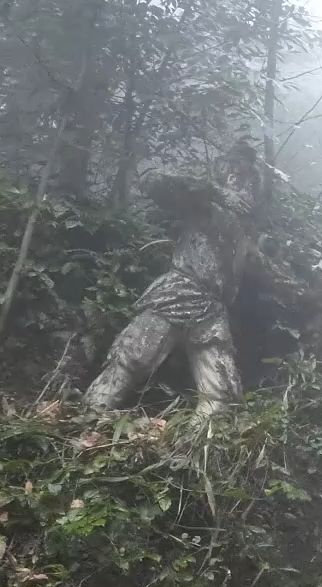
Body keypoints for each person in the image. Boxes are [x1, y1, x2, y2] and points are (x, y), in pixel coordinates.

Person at [84, 140, 261, 415]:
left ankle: (205, 448)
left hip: (213, 309)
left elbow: (264, 269)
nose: (243, 184)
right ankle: (91, 414)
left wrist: (310, 296)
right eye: (237, 173)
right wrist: (215, 192)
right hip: (179, 290)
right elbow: (153, 182)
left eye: (249, 177)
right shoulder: (206, 204)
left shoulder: (246, 234)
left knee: (222, 394)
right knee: (132, 358)